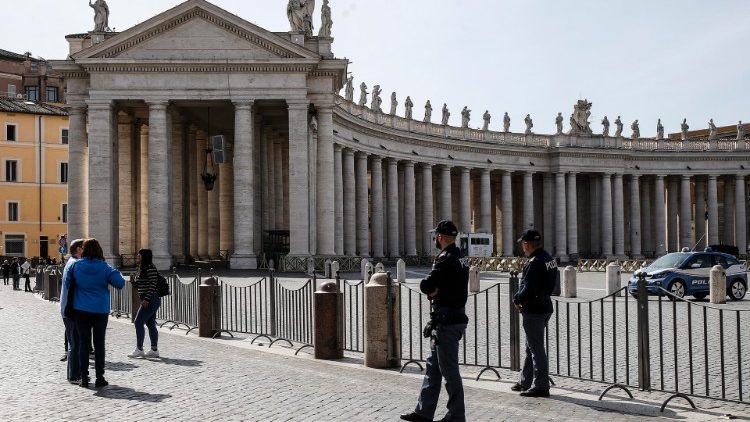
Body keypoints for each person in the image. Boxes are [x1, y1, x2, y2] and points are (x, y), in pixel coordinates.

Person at [401, 220, 469, 422]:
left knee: (449, 372)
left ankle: (456, 415)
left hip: (447, 321)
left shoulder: (445, 259)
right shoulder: (461, 256)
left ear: (440, 237)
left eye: (436, 236)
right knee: (433, 367)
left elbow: (426, 284)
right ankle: (424, 411)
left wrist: (432, 288)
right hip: (447, 319)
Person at [66, 238, 125, 388]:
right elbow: (120, 283)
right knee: (99, 344)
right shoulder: (104, 267)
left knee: (83, 344)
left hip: (80, 309)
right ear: (99, 250)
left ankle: (84, 378)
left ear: (83, 250)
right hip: (100, 310)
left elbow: (67, 284)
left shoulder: (76, 266)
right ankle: (100, 377)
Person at [511, 229, 558, 398]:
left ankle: (541, 386)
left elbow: (527, 288)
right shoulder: (549, 259)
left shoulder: (535, 262)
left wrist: (516, 299)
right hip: (545, 306)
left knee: (536, 348)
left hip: (534, 309)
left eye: (523, 244)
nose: (523, 247)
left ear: (527, 244)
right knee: (531, 346)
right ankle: (525, 380)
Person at [128, 249, 162, 359]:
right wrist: (133, 281)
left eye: (139, 254)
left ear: (144, 256)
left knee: (138, 322)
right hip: (148, 298)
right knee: (150, 323)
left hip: (150, 299)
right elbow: (141, 285)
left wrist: (147, 299)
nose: (137, 256)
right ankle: (154, 350)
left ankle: (139, 349)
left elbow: (153, 284)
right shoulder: (142, 268)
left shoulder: (150, 267)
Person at [60, 239, 84, 382]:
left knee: (74, 343)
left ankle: (74, 374)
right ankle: (74, 375)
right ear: (79, 249)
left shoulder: (71, 263)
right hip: (72, 309)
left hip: (68, 308)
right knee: (75, 343)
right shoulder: (75, 264)